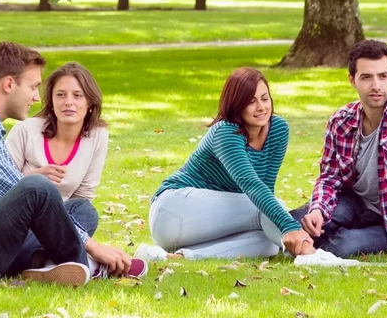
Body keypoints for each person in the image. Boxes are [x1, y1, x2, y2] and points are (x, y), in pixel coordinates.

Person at [0, 41, 144, 286]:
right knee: (38, 187)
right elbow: (17, 189)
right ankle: (88, 265)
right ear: (9, 84)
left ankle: (47, 266)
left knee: (81, 210)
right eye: (33, 87)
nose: (36, 97)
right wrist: (93, 246)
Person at [136, 67, 317, 262]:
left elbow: (266, 188)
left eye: (265, 98)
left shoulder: (278, 129)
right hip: (173, 210)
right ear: (236, 104)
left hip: (207, 226)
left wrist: (281, 226)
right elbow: (251, 184)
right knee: (272, 213)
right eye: (251, 102)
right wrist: (290, 227)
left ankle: (174, 258)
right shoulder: (225, 133)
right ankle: (313, 256)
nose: (261, 107)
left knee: (270, 242)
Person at [292, 39, 387, 257]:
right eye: (366, 77)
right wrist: (317, 208)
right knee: (298, 223)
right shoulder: (341, 121)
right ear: (352, 80)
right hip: (355, 202)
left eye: (383, 76)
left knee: (343, 246)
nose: (376, 86)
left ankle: (324, 243)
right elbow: (329, 178)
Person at [5, 62, 109, 273]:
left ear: (90, 103)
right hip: (20, 230)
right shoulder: (25, 131)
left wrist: (58, 225)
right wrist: (33, 178)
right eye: (60, 95)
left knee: (86, 211)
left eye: (77, 95)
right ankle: (65, 263)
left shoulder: (98, 135)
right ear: (51, 101)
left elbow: (82, 196)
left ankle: (48, 264)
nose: (68, 102)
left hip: (59, 225)